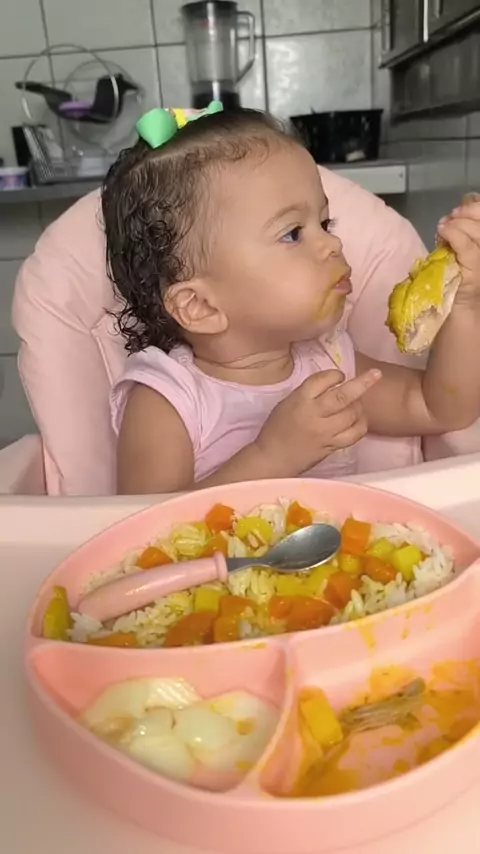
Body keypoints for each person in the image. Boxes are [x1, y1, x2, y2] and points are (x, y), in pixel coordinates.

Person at [102, 106, 480, 495]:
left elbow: (441, 408)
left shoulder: (330, 361)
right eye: (293, 233)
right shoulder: (167, 400)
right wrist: (272, 456)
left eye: (325, 223)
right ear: (200, 306)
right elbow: (146, 523)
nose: (333, 244)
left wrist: (465, 305)